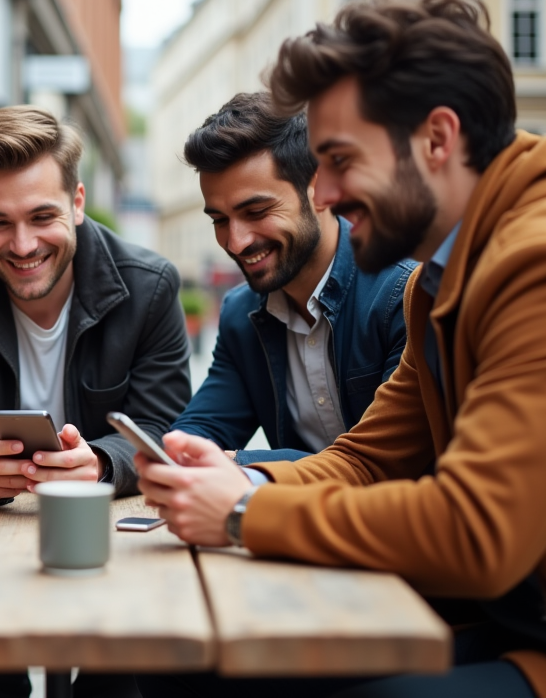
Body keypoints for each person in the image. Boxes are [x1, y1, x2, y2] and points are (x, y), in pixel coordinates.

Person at [136, 0, 546, 698]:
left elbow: (477, 532)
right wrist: (238, 480)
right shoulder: (442, 274)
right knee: (188, 671)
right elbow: (367, 457)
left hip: (533, 633)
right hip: (519, 621)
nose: (324, 193)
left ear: (437, 138)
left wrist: (244, 512)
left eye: (338, 160)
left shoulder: (538, 258)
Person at [0, 104, 191, 698]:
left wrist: (100, 464)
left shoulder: (150, 285)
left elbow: (165, 427)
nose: (22, 245)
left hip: (112, 536)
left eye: (42, 216)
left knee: (120, 671)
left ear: (77, 202)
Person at [172, 92, 413, 464]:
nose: (235, 241)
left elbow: (389, 459)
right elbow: (201, 430)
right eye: (219, 220)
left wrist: (239, 465)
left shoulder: (401, 295)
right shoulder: (241, 313)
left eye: (256, 211)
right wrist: (166, 454)